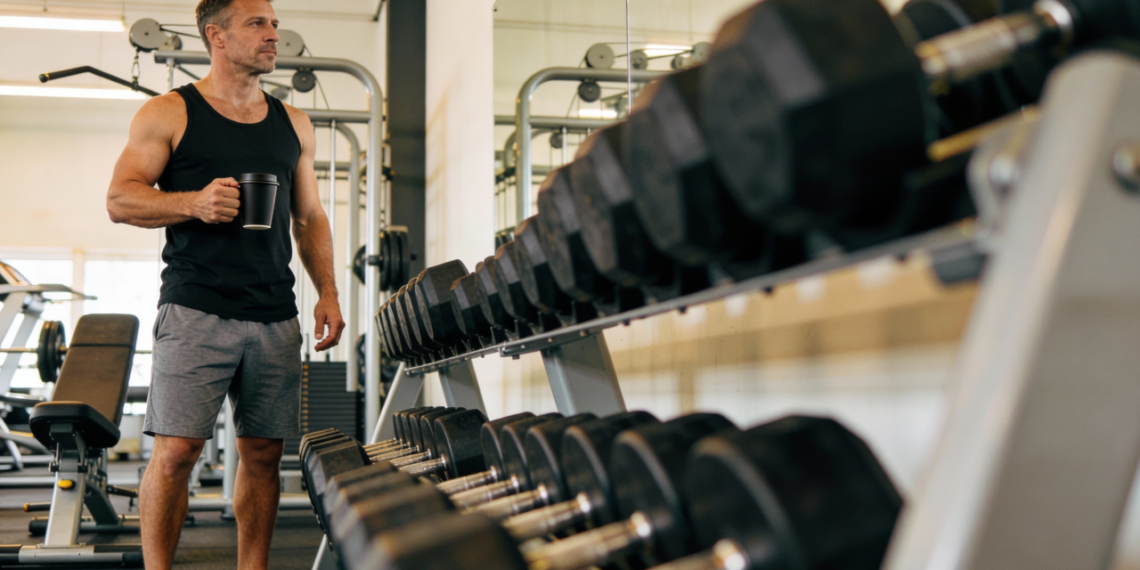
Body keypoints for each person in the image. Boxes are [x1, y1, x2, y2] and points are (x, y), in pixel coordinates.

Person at [106, 0, 344, 567]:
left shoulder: (294, 123)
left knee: (263, 455)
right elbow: (119, 198)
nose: (273, 34)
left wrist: (329, 291)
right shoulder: (169, 113)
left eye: (274, 24)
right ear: (216, 34)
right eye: (257, 24)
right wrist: (193, 203)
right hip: (196, 307)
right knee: (175, 453)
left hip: (274, 313)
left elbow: (309, 217)